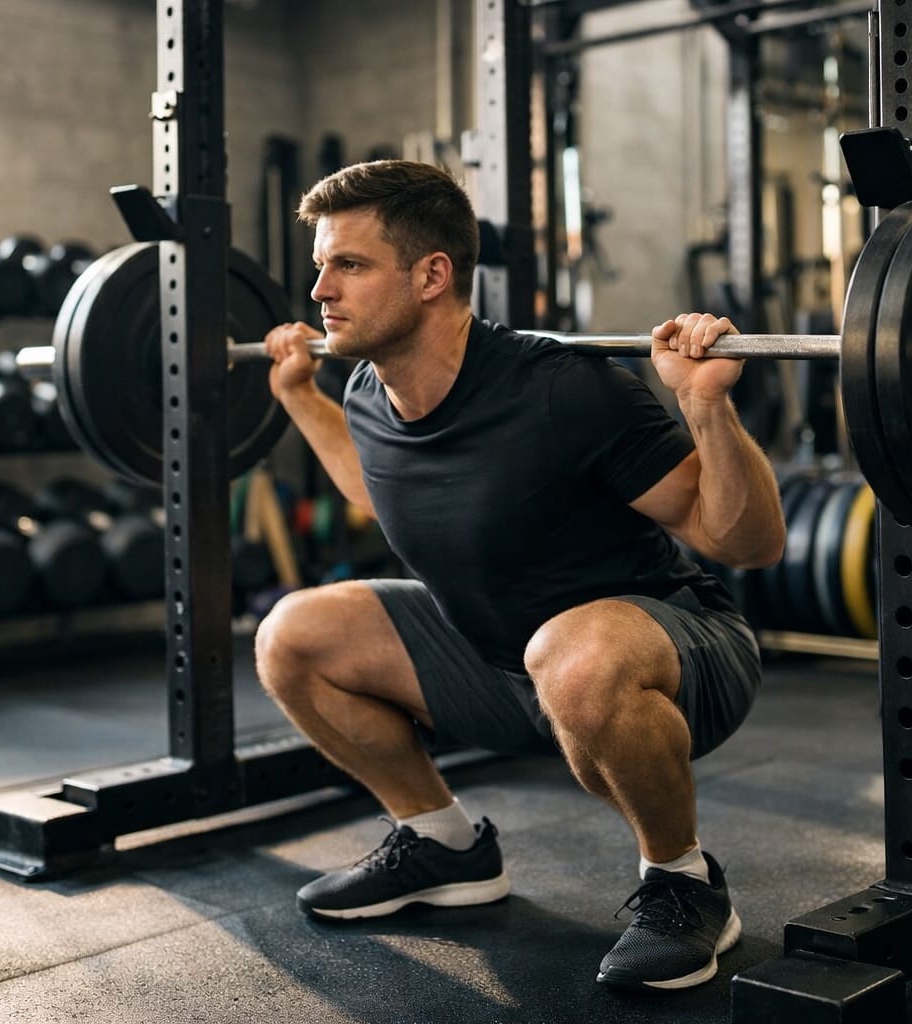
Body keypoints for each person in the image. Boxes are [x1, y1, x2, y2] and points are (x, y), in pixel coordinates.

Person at [257, 159, 784, 992]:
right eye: (321, 264)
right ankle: (442, 846)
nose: (319, 288)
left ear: (433, 275)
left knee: (570, 654)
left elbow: (742, 542)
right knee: (293, 635)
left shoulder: (563, 389)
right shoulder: (365, 388)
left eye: (347, 264)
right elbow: (375, 483)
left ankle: (683, 884)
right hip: (503, 659)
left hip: (670, 655)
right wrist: (298, 397)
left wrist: (706, 406)